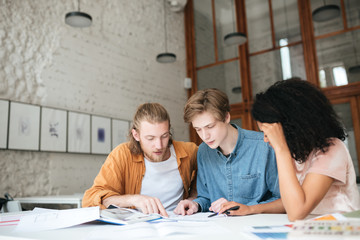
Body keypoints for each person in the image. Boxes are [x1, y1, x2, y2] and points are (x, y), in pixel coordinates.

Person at [251, 78, 360, 221]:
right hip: (310, 227)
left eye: (268, 133)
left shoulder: (333, 148)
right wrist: (251, 209)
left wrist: (281, 148)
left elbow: (296, 212)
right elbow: (292, 199)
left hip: (344, 227)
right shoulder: (296, 152)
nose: (265, 139)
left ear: (290, 126)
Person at [174, 88, 284, 216]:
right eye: (198, 129)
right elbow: (206, 198)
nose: (205, 136)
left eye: (210, 127)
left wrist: (249, 208)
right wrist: (195, 204)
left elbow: (284, 201)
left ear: (226, 117)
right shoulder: (203, 151)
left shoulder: (264, 146)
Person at [82, 103, 198, 217]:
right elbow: (91, 199)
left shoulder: (189, 152)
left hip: (178, 223)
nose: (159, 145)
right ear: (136, 135)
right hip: (137, 228)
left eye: (164, 136)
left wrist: (193, 199)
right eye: (150, 138)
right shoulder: (121, 155)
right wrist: (133, 199)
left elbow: (206, 184)